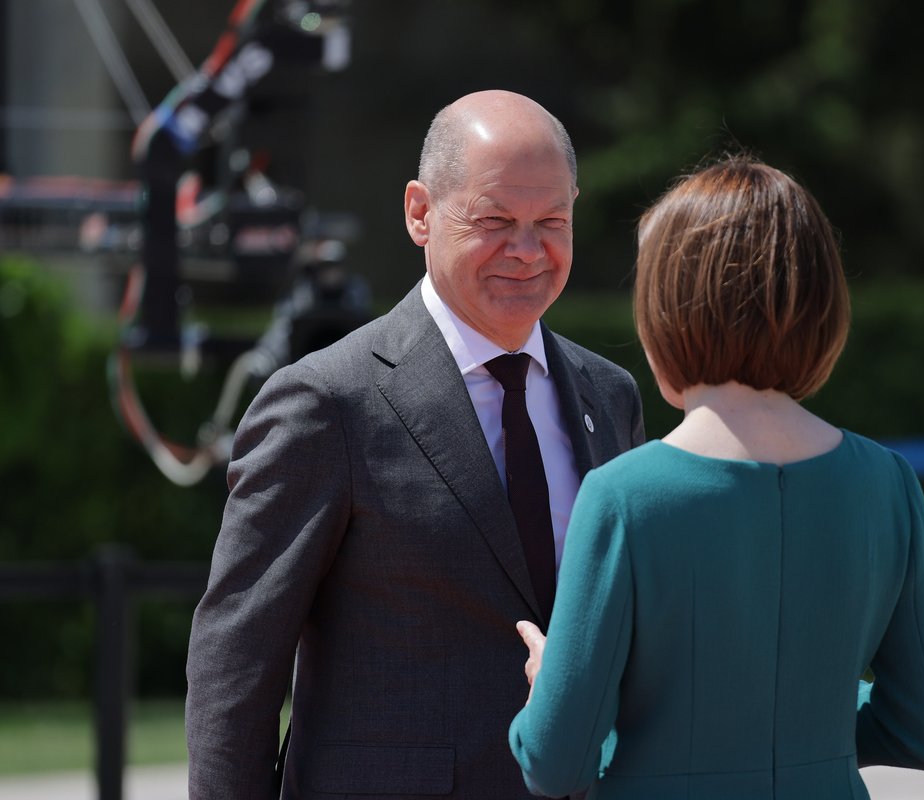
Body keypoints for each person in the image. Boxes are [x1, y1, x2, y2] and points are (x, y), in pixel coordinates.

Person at [185, 89, 645, 799]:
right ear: (421, 213)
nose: (527, 250)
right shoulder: (327, 402)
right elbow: (235, 667)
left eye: (551, 220)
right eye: (495, 219)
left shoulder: (608, 397)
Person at [509, 155, 924, 798]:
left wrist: (547, 688)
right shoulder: (888, 483)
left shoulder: (623, 498)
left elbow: (556, 763)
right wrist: (800, 722)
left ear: (667, 313)